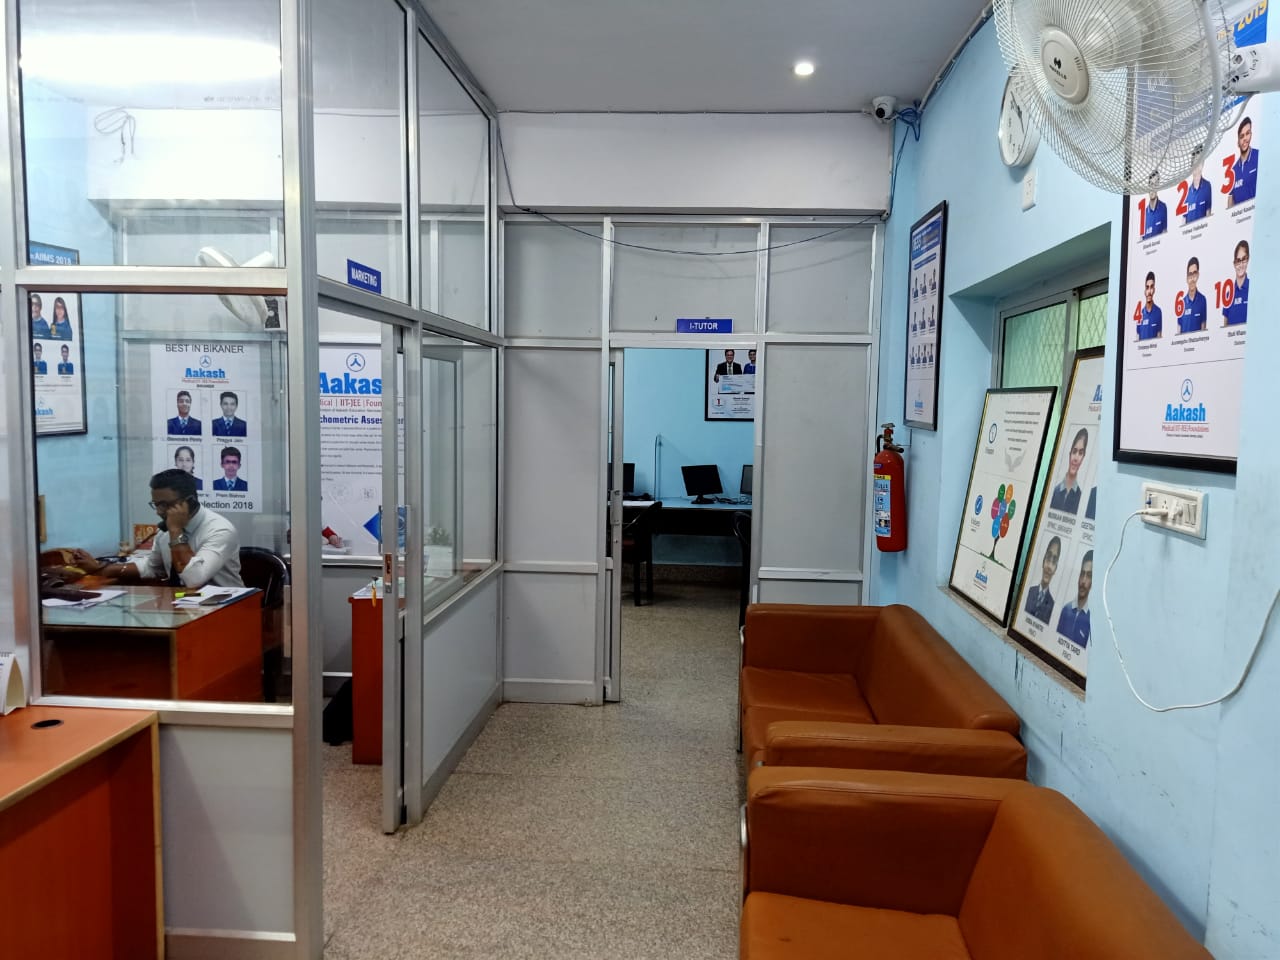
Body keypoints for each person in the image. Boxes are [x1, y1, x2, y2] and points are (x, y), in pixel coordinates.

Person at [66, 468, 242, 588]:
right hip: (182, 608)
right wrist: (100, 567)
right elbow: (152, 567)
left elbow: (193, 579)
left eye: (165, 505)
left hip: (226, 611)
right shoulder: (166, 532)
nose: (158, 512)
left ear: (189, 502)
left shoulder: (220, 530)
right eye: (156, 505)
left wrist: (176, 532)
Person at [1055, 551, 1093, 648]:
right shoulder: (1065, 609)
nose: (1083, 581)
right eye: (1082, 574)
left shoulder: (1091, 620)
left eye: (1089, 576)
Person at [1050, 428, 1088, 514]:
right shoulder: (1054, 491)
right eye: (1074, 451)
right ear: (1070, 454)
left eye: (1080, 453)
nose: (1076, 458)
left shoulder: (1080, 498)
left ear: (1083, 458)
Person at [1024, 536, 1060, 624]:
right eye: (1048, 558)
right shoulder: (1028, 592)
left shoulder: (1052, 606)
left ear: (1056, 568)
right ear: (1043, 561)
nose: (1049, 566)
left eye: (1054, 561)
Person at [1228, 116, 1258, 207]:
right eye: (1241, 136)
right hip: (1239, 215)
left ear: (1251, 135)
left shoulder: (1259, 156)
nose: (1245, 138)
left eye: (1247, 133)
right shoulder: (1233, 170)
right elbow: (1230, 201)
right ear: (1238, 142)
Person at [1178, 256, 1207, 334]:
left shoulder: (1202, 300)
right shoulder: (1181, 303)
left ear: (1198, 275)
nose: (1192, 279)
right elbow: (1178, 330)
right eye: (1190, 274)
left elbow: (1203, 328)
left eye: (1194, 273)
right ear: (1186, 277)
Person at [1224, 240, 1249, 326]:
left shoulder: (1253, 288)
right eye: (1238, 260)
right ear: (1234, 263)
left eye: (1244, 259)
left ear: (1248, 259)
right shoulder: (1228, 294)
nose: (1241, 265)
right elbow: (1225, 326)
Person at [1183, 159, 1212, 224]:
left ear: (1202, 165)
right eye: (1194, 163)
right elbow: (1184, 218)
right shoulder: (1187, 191)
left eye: (1199, 163)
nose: (1197, 166)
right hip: (1189, 230)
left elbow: (1208, 211)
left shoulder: (1207, 186)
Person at [1137, 271, 1162, 341]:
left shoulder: (1158, 312)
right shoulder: (1140, 314)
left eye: (1151, 287)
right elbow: (1137, 337)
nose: (1149, 291)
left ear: (1154, 290)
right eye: (1147, 287)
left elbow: (1159, 336)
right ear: (1144, 291)